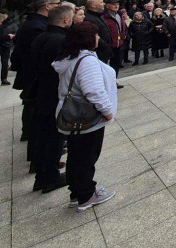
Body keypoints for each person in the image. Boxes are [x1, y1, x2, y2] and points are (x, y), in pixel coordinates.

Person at [52, 21, 117, 212]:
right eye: (96, 35)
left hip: (74, 115)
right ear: (88, 39)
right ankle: (86, 195)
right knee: (87, 156)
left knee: (77, 155)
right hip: (85, 116)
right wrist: (107, 111)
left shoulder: (70, 56)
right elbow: (94, 91)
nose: (98, 38)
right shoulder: (86, 60)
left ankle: (77, 191)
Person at [12, 0, 61, 166]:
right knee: (40, 122)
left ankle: (41, 156)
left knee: (38, 119)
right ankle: (40, 160)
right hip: (38, 80)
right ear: (47, 6)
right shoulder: (36, 27)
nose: (59, 7)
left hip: (36, 79)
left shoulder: (35, 23)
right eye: (57, 4)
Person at [30, 4, 74, 193]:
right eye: (72, 16)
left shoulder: (41, 37)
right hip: (55, 94)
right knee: (56, 136)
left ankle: (41, 174)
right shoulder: (61, 40)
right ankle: (49, 178)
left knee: (44, 135)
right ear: (65, 19)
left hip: (41, 92)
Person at [100, 0, 127, 77]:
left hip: (119, 44)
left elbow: (123, 26)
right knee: (104, 65)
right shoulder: (103, 16)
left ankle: (114, 80)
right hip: (108, 45)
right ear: (107, 6)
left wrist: (124, 35)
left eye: (117, 4)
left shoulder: (119, 14)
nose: (116, 6)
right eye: (113, 4)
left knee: (116, 63)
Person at [0, 10, 14, 86]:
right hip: (4, 45)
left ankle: (4, 78)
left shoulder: (5, 25)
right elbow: (1, 37)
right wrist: (9, 36)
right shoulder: (4, 25)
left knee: (5, 63)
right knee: (5, 63)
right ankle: (4, 79)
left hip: (5, 46)